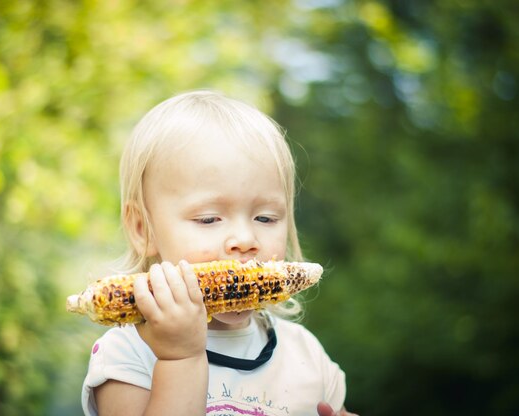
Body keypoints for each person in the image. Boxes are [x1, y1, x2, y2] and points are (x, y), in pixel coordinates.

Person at [81, 90, 357, 416]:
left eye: (265, 218)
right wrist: (181, 357)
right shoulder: (128, 354)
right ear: (144, 230)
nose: (244, 239)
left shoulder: (306, 353)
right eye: (209, 219)